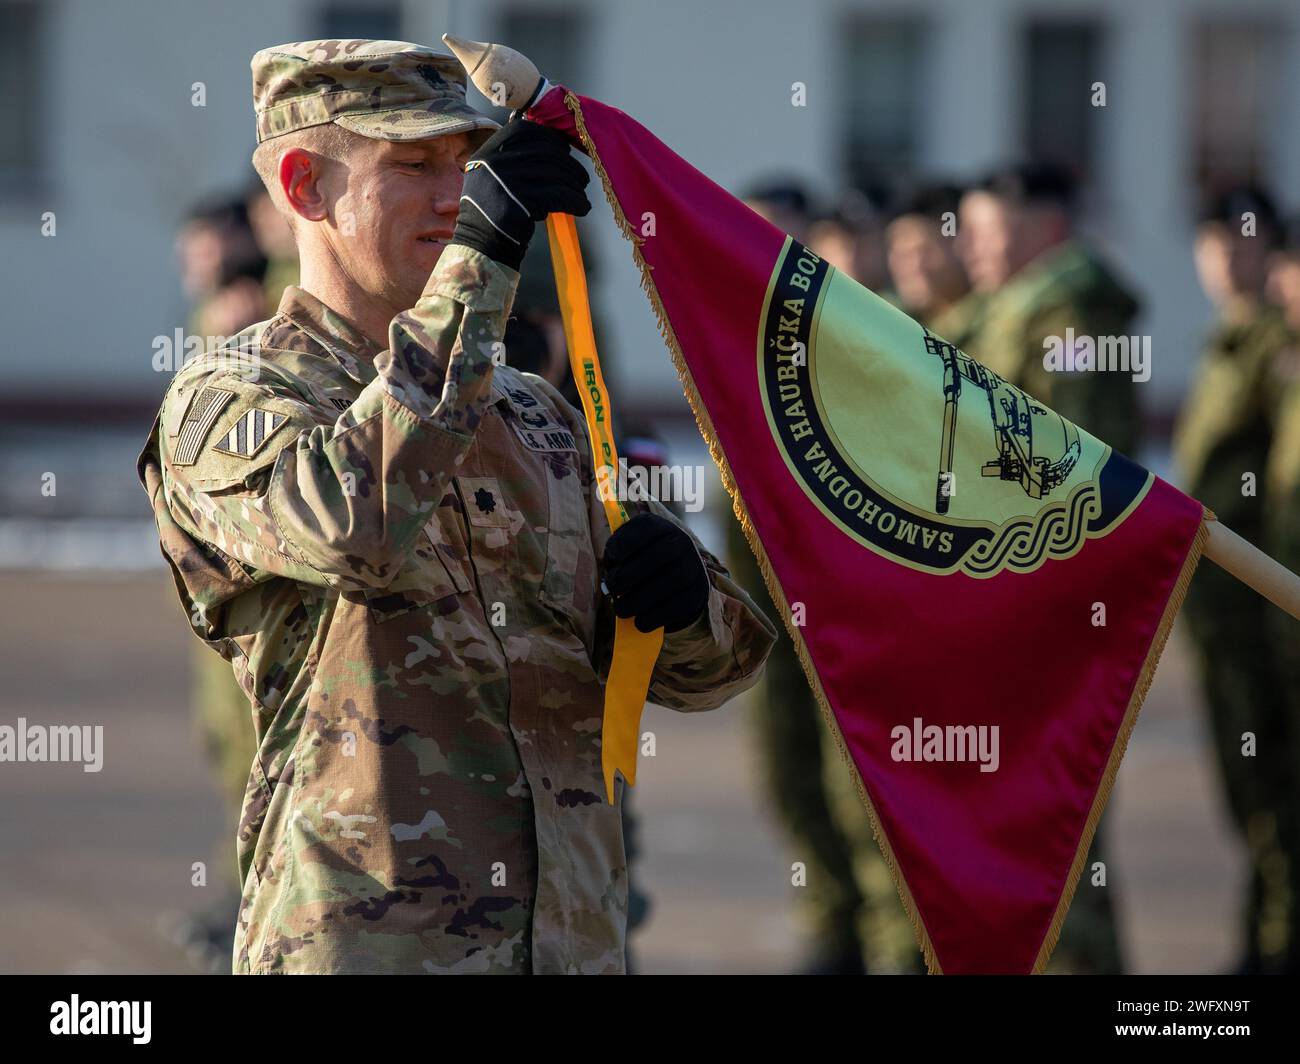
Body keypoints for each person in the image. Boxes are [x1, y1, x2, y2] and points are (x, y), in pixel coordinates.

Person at [138, 38, 777, 975]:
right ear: (305, 184)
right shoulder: (230, 397)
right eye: (413, 165)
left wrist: (687, 606)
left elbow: (709, 670)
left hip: (570, 947)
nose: (456, 195)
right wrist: (478, 262)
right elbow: (353, 523)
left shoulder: (534, 411)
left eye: (468, 166)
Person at [959, 162, 1143, 973]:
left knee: (1055, 820)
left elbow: (1072, 473)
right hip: (1013, 592)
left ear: (1047, 228)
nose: (978, 252)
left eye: (995, 234)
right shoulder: (1019, 309)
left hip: (1055, 597)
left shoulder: (1070, 313)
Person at [1176, 185, 1298, 973]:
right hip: (1229, 617)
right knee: (1252, 798)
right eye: (1213, 243)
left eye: (1246, 245)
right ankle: (1262, 943)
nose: (1227, 260)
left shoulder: (1275, 350)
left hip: (1268, 616)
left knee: (1278, 798)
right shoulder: (1225, 341)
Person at [959, 163, 1143, 459]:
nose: (968, 247)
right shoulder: (1010, 304)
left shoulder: (1074, 310)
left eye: (987, 233)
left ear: (1050, 230)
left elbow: (1075, 440)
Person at [885, 182, 984, 350]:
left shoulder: (993, 323)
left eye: (924, 252)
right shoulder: (892, 324)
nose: (912, 267)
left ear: (963, 244)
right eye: (901, 254)